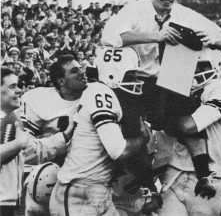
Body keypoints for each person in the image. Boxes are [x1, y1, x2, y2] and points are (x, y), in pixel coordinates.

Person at [101, 0, 221, 197]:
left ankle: (204, 174)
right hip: (133, 82)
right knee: (135, 134)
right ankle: (141, 183)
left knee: (183, 114)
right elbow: (112, 36)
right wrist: (157, 36)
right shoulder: (134, 10)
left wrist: (218, 40)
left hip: (166, 82)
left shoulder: (185, 14)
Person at [49, 53, 148, 216]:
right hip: (79, 193)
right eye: (130, 76)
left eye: (81, 68)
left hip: (97, 190)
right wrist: (142, 140)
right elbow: (119, 151)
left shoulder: (93, 92)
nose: (82, 72)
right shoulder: (99, 92)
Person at [156, 48, 221, 216]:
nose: (196, 71)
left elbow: (188, 126)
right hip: (174, 172)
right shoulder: (180, 87)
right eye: (193, 66)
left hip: (208, 176)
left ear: (218, 66)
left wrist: (170, 118)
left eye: (203, 66)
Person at [96, 46, 162, 215]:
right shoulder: (120, 105)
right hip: (100, 187)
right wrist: (151, 187)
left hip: (123, 187)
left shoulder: (127, 101)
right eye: (130, 76)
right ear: (112, 75)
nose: (135, 80)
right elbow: (134, 153)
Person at [21, 55, 88, 216]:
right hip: (47, 170)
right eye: (74, 71)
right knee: (44, 178)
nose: (82, 73)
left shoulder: (95, 95)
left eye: (81, 68)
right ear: (61, 81)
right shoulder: (39, 99)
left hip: (82, 170)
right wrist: (63, 137)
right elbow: (24, 152)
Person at [0, 67, 29, 216]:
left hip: (7, 204)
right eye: (12, 86)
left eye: (18, 85)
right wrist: (19, 142)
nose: (19, 90)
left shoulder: (12, 117)